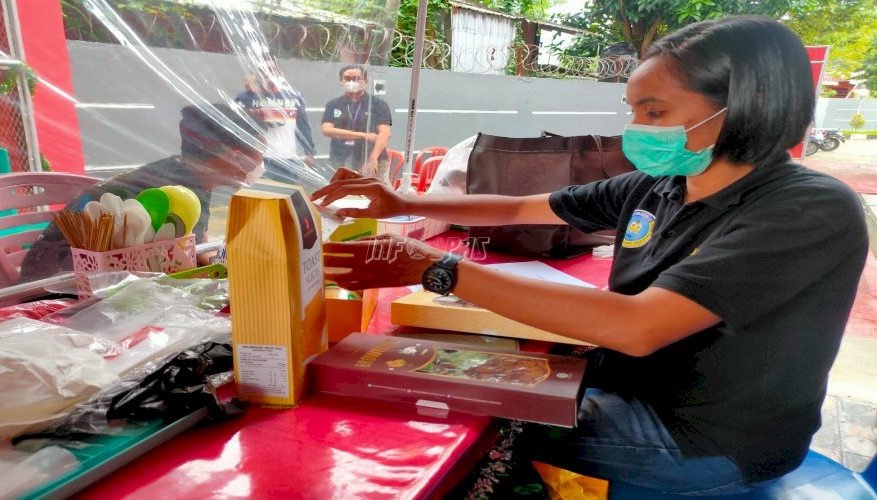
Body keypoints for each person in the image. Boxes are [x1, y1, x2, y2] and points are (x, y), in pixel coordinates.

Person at [313, 16, 869, 496]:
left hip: (699, 440)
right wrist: (401, 199)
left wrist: (436, 269)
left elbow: (637, 327)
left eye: (654, 112)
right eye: (634, 111)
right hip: (626, 387)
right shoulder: (662, 183)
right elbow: (521, 208)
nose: (636, 129)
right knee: (440, 375)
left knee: (456, 418)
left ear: (750, 105)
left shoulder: (806, 209)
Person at [19, 103, 265, 282]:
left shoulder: (187, 177)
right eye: (258, 153)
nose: (263, 162)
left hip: (75, 274)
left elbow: (199, 244)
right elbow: (183, 267)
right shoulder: (175, 190)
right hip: (61, 285)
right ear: (231, 155)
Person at [235, 61, 317, 184]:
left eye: (271, 69)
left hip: (287, 157)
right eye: (262, 70)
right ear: (255, 74)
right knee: (257, 196)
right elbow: (237, 124)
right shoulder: (245, 97)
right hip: (257, 158)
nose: (267, 73)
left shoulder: (293, 97)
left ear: (279, 72)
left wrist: (309, 152)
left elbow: (303, 126)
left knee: (285, 195)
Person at [321, 65, 392, 185]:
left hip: (370, 158)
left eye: (357, 78)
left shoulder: (378, 104)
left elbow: (385, 133)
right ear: (341, 81)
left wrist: (373, 158)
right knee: (339, 193)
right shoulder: (333, 104)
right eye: (347, 78)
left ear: (365, 81)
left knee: (372, 194)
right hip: (340, 158)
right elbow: (327, 130)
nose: (351, 82)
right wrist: (364, 135)